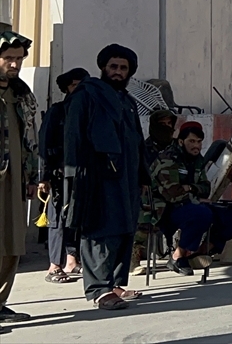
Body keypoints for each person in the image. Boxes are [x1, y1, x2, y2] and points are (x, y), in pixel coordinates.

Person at [63, 44, 147, 311]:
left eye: (123, 68)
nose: (118, 72)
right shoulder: (87, 95)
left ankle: (114, 283)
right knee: (100, 229)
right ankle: (99, 289)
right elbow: (73, 136)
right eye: (113, 67)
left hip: (127, 177)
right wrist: (74, 173)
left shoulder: (127, 101)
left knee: (124, 228)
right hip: (97, 176)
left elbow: (137, 141)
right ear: (103, 67)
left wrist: (143, 175)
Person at [151, 122, 232, 276]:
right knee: (201, 214)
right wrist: (194, 193)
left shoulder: (197, 159)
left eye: (199, 142)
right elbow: (173, 194)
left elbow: (206, 188)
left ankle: (199, 253)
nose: (196, 146)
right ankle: (177, 257)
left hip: (188, 204)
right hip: (163, 210)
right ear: (181, 141)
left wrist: (190, 188)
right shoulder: (169, 159)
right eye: (191, 141)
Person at [0, 32, 39, 323]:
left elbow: (30, 138)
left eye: (18, 59)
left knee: (13, 240)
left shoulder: (22, 94)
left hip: (14, 176)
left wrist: (32, 175)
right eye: (8, 59)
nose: (14, 65)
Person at [38, 67, 90, 284]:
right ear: (67, 88)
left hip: (82, 175)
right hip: (58, 176)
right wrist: (44, 176)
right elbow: (44, 143)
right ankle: (54, 266)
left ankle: (71, 261)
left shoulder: (88, 112)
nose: (78, 90)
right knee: (57, 220)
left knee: (76, 219)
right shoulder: (57, 111)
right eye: (74, 85)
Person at [131, 108, 178, 276]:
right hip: (151, 195)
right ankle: (134, 255)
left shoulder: (178, 147)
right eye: (162, 124)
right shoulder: (144, 148)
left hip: (177, 193)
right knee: (148, 210)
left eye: (169, 124)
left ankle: (183, 254)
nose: (166, 128)